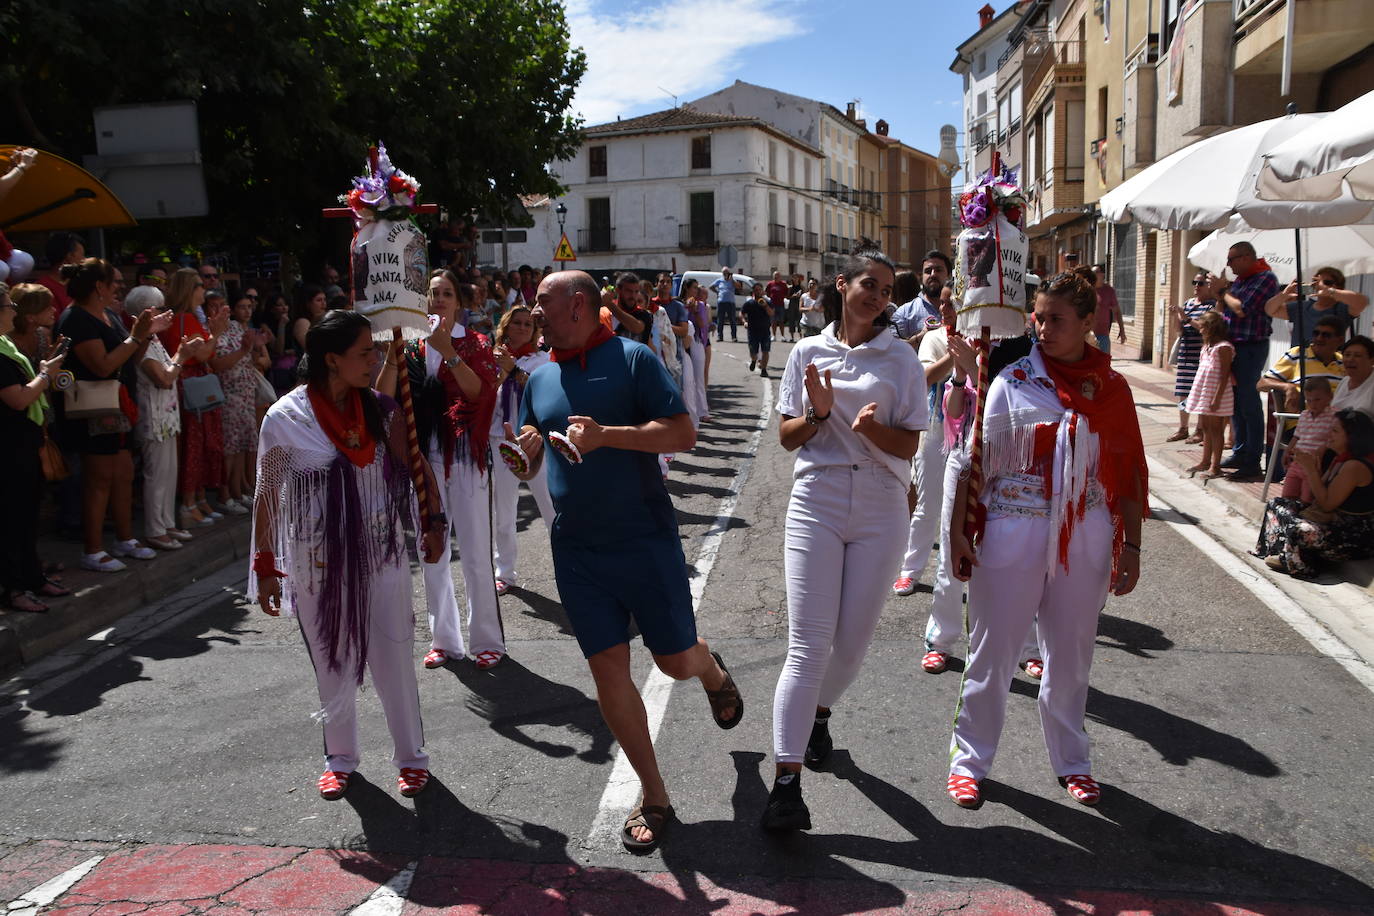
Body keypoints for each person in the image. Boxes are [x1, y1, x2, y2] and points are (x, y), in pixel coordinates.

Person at [512, 269, 741, 853]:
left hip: (643, 538)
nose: (532, 311)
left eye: (542, 302)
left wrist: (607, 436)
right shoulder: (538, 378)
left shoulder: (634, 358)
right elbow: (535, 456)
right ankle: (655, 794)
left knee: (673, 663)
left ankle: (709, 668)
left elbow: (684, 433)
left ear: (578, 304)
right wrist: (527, 455)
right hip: (577, 548)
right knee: (606, 669)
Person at [946, 271, 1145, 810]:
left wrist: (1132, 546)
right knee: (992, 651)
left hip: (1086, 533)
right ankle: (969, 760)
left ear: (1088, 323)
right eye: (1038, 316)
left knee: (1072, 654)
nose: (1043, 326)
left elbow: (1128, 470)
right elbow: (972, 457)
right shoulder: (1010, 379)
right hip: (1013, 527)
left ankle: (1072, 760)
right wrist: (958, 533)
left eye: (1057, 319)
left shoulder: (1114, 390)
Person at [762, 250, 927, 832]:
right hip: (819, 499)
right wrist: (818, 415)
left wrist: (869, 429)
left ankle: (819, 714)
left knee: (852, 646)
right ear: (842, 285)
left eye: (885, 289)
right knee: (807, 645)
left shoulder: (901, 357)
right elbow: (787, 437)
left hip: (883, 504)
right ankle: (785, 785)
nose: (877, 297)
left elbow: (908, 445)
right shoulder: (807, 351)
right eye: (868, 285)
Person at [252, 309, 445, 801]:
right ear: (332, 360)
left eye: (377, 351)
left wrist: (433, 519)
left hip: (382, 554)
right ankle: (340, 758)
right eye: (366, 353)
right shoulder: (285, 418)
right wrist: (266, 566)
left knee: (394, 656)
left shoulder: (382, 409)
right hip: (315, 561)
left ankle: (411, 757)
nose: (376, 360)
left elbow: (413, 463)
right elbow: (268, 493)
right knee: (331, 660)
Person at [377, 269, 505, 671]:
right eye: (432, 294)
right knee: (431, 548)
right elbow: (382, 396)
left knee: (474, 552)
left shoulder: (477, 343)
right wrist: (391, 356)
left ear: (459, 303)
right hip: (424, 459)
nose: (438, 300)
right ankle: (444, 640)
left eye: (446, 293)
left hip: (465, 457)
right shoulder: (409, 347)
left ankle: (487, 640)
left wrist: (448, 350)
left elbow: (480, 395)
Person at [55, 259, 173, 572]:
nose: (119, 287)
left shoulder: (107, 314)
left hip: (118, 406)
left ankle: (125, 539)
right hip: (91, 410)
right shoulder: (75, 319)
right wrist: (136, 336)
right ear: (99, 287)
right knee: (99, 479)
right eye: (114, 282)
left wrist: (147, 333)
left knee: (122, 473)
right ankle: (92, 550)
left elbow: (129, 354)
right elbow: (103, 365)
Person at [0, 283, 68, 611]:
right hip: (8, 448)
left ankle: (33, 579)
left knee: (28, 517)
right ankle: (14, 589)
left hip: (25, 443)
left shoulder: (6, 346)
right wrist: (45, 374)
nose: (13, 310)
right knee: (13, 520)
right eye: (8, 305)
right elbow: (18, 398)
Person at [1255, 409, 1374, 579]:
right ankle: (1282, 553)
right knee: (1276, 504)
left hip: (1352, 535)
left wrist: (1311, 471)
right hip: (1330, 520)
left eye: (1335, 431)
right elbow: (1317, 498)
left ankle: (1298, 562)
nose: (1329, 434)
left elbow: (1326, 504)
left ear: (1351, 436)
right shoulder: (1339, 458)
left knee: (1297, 529)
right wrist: (1314, 470)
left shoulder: (1354, 466)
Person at [127, 285, 200, 551]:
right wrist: (183, 354)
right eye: (158, 309)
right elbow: (164, 379)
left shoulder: (154, 340)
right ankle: (155, 529)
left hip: (167, 417)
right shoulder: (140, 343)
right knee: (156, 475)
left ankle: (167, 523)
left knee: (169, 472)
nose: (165, 314)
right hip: (153, 419)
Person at [893, 294, 958, 596]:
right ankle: (910, 570)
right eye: (944, 302)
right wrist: (958, 355)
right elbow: (925, 377)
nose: (945, 308)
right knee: (928, 502)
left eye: (954, 302)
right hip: (935, 428)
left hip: (973, 431)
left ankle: (960, 574)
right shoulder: (934, 338)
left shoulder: (991, 339)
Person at [489, 305, 554, 594]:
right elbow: (483, 394)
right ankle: (505, 572)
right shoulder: (490, 358)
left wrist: (513, 370)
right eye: (517, 322)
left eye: (528, 324)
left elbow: (541, 391)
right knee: (503, 510)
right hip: (499, 438)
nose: (523, 327)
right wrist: (501, 371)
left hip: (533, 440)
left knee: (551, 506)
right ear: (505, 326)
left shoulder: (541, 359)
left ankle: (571, 566)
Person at [159, 268, 226, 530]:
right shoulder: (182, 319)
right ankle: (188, 504)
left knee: (198, 445)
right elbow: (202, 355)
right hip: (190, 388)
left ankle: (196, 499)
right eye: (199, 284)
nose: (204, 288)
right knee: (193, 446)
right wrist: (217, 333)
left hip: (189, 387)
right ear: (188, 288)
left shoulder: (185, 318)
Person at [1210, 242, 1278, 481]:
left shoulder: (1264, 278)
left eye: (1232, 259)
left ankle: (1252, 461)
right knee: (1236, 403)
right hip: (1234, 346)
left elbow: (1242, 309)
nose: (1229, 264)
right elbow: (1225, 309)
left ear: (1247, 257)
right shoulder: (1240, 281)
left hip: (1250, 346)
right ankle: (1240, 451)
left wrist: (1222, 292)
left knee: (1249, 402)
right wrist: (1220, 295)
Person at [211, 291, 267, 513]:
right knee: (230, 448)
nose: (219, 311)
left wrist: (255, 347)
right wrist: (245, 349)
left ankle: (239, 490)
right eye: (213, 306)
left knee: (245, 444)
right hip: (227, 395)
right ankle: (226, 495)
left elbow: (248, 358)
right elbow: (218, 364)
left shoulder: (235, 327)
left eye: (222, 305)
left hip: (245, 392)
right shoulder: (213, 333)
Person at [1183, 311, 1235, 480]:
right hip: (1204, 392)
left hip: (1216, 394)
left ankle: (1216, 466)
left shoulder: (1224, 347)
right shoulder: (1206, 347)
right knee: (1205, 427)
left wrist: (1216, 398)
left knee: (1216, 430)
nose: (1200, 330)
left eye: (1203, 327)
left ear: (1212, 328)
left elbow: (1224, 374)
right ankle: (1205, 461)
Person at [1167, 272, 1217, 443]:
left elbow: (1203, 327)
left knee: (1201, 393)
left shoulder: (1211, 306)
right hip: (1185, 353)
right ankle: (1183, 428)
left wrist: (1185, 317)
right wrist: (1176, 317)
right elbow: (1179, 330)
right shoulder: (1188, 303)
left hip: (1201, 355)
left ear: (1208, 286)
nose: (1196, 286)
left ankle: (1200, 430)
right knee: (1183, 391)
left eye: (1201, 283)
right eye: (1194, 282)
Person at [1265, 266, 1369, 349]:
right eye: (1316, 282)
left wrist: (1330, 291)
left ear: (1339, 287)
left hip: (1328, 367)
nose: (1320, 285)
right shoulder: (1302, 307)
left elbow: (1363, 302)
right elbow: (1270, 310)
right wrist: (1284, 295)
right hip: (1297, 366)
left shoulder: (1343, 309)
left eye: (1327, 282)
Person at [1282, 378, 1336, 503]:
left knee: (1306, 499)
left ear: (1330, 397)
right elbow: (1296, 436)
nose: (1313, 404)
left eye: (1317, 399)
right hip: (1297, 462)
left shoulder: (1333, 416)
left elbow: (1334, 438)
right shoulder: (1305, 415)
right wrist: (1287, 451)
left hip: (1314, 465)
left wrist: (1323, 449)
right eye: (1309, 400)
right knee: (1287, 495)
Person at [891, 251, 951, 349]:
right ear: (921, 276)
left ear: (948, 275)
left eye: (938, 270)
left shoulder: (962, 310)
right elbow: (892, 349)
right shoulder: (905, 313)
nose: (932, 274)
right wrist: (920, 337)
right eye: (927, 271)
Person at [682, 278, 711, 421]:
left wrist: (694, 310)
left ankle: (702, 411)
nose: (696, 291)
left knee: (699, 376)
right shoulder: (679, 303)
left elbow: (702, 324)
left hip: (696, 340)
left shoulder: (700, 305)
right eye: (694, 288)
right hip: (681, 340)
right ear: (687, 288)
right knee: (685, 378)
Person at [1333, 336, 1374, 418]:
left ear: (1372, 360)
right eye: (1347, 355)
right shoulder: (1344, 382)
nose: (1350, 359)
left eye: (1357, 355)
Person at [1090, 264, 1125, 354]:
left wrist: (1122, 330)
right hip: (1088, 335)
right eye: (1093, 272)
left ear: (1102, 274)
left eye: (1097, 272)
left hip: (1103, 335)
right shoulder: (1088, 290)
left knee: (1103, 365)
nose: (1094, 274)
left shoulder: (1109, 291)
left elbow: (1117, 311)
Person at [742, 283, 773, 377]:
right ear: (753, 291)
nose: (758, 291)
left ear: (762, 291)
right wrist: (744, 322)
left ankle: (764, 369)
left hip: (765, 330)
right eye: (756, 290)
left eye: (760, 290)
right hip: (753, 330)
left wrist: (765, 306)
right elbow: (742, 313)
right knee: (753, 351)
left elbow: (771, 313)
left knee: (765, 350)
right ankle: (754, 360)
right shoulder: (749, 303)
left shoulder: (767, 302)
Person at [291, 284, 328, 353]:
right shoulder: (302, 322)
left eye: (324, 300)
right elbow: (310, 348)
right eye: (319, 300)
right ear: (308, 304)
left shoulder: (321, 319)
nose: (324, 303)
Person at [712, 268, 739, 342]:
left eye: (727, 272)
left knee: (732, 320)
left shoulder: (733, 281)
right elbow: (711, 286)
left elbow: (738, 286)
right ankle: (720, 336)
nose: (725, 274)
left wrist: (732, 279)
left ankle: (734, 337)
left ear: (729, 273)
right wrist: (717, 292)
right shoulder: (719, 280)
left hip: (731, 303)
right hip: (721, 302)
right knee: (720, 320)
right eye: (724, 273)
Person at [765, 270, 789, 342]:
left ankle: (783, 336)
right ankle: (774, 336)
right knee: (773, 321)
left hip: (781, 305)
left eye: (777, 276)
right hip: (772, 305)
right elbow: (767, 293)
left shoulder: (783, 284)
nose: (776, 277)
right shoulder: (770, 284)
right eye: (775, 276)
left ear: (780, 277)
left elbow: (786, 293)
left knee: (781, 321)